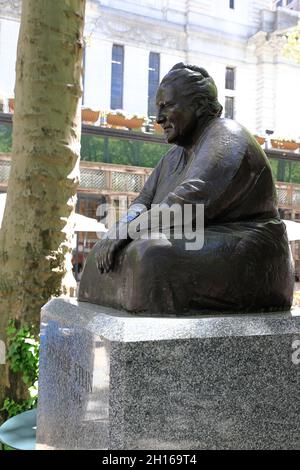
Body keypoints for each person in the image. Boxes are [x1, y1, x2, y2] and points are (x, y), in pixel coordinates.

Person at [78, 63, 294, 314]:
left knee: (150, 256)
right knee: (98, 258)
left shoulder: (227, 136)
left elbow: (186, 206)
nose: (159, 118)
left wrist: (125, 232)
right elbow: (142, 202)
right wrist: (119, 230)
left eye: (167, 106)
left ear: (200, 105)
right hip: (200, 240)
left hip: (251, 254)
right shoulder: (172, 157)